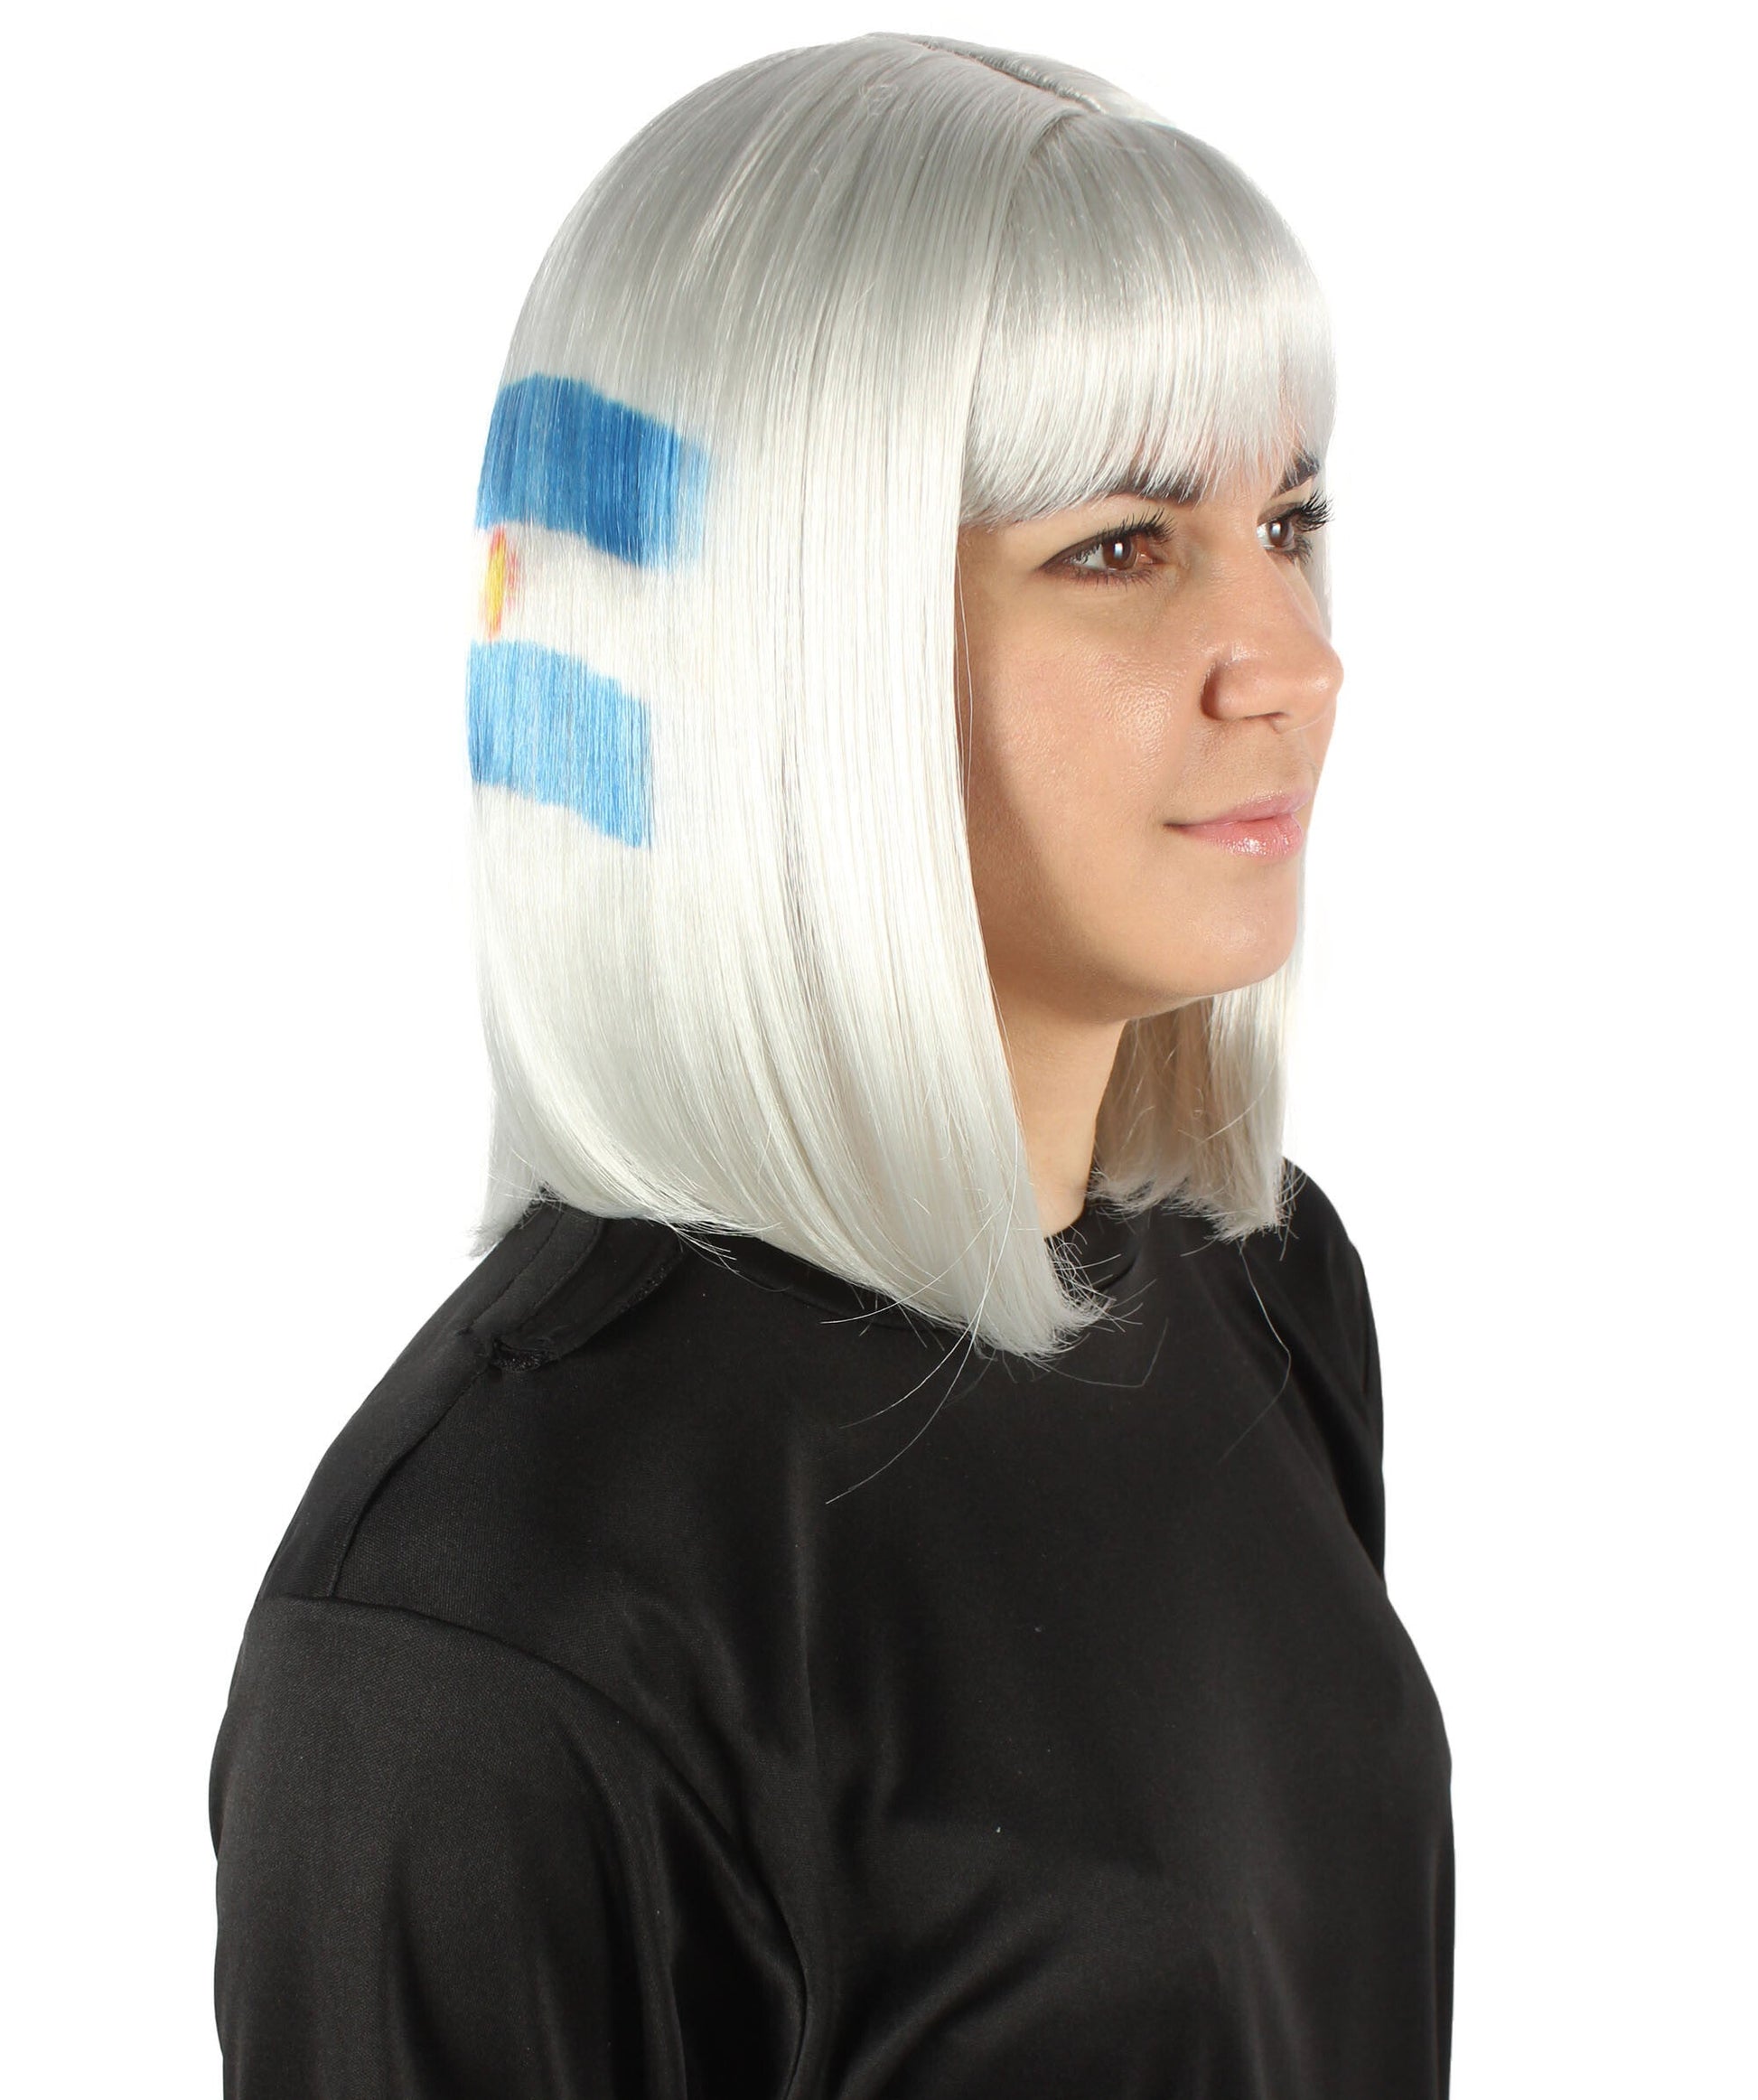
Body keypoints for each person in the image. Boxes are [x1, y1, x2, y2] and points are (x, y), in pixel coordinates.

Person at [210, 32, 1454, 2096]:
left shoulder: (1260, 1294)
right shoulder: (489, 1615)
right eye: (1123, 545)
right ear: (795, 642)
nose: (1295, 661)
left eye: (1289, 517)